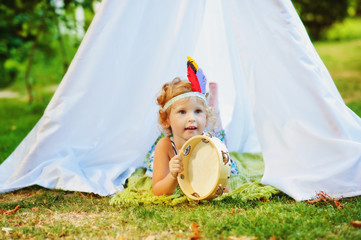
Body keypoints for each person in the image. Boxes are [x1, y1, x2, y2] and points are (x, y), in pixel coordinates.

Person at [146, 58, 238, 196]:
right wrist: (172, 175)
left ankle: (213, 106)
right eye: (182, 112)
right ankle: (211, 104)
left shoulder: (210, 146)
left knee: (221, 142)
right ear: (166, 120)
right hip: (169, 152)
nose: (192, 118)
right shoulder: (164, 147)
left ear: (206, 119)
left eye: (198, 112)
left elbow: (223, 189)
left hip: (209, 139)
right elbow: (158, 191)